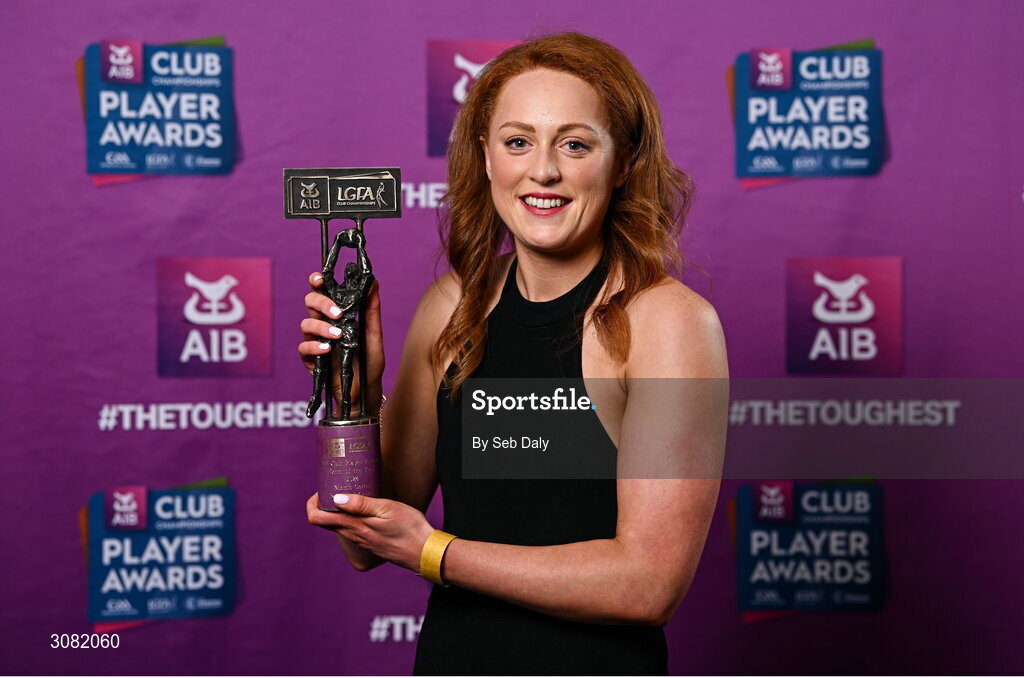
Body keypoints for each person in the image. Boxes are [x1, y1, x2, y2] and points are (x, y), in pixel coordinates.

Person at [300, 32, 728, 675]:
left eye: (575, 144)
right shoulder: (451, 306)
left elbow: (647, 586)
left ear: (623, 162)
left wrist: (434, 552)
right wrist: (351, 394)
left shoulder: (670, 324)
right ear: (486, 155)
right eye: (518, 141)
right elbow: (364, 542)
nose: (543, 171)